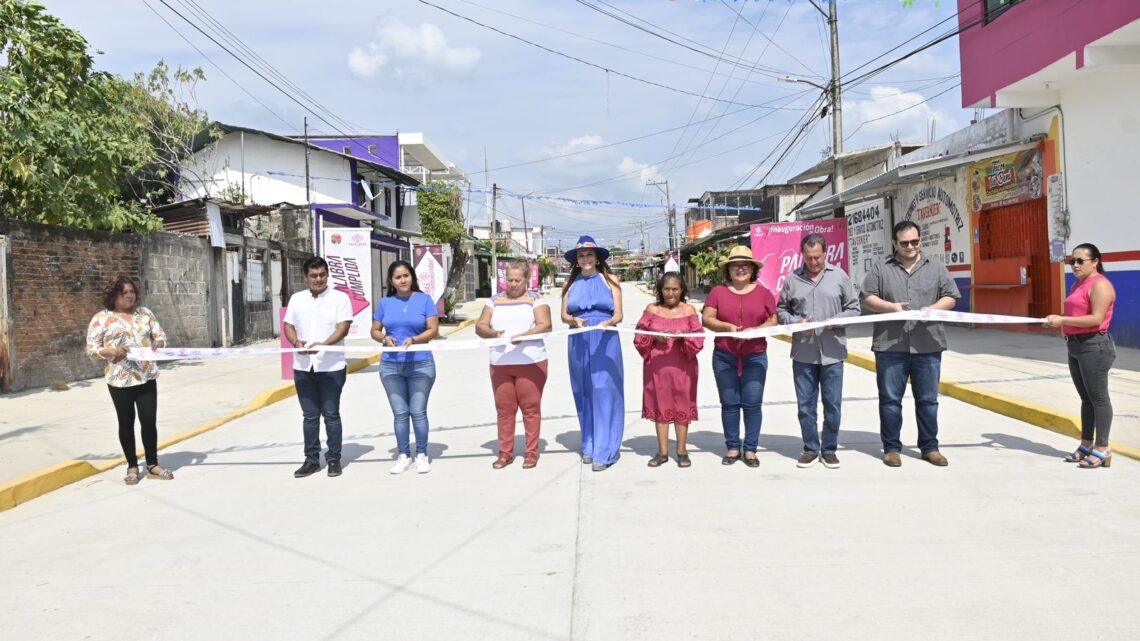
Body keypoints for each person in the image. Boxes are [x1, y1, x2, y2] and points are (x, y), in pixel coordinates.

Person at [861, 220, 960, 467]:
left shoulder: (936, 267)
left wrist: (932, 309)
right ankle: (892, 448)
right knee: (890, 400)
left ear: (920, 241)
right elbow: (866, 297)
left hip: (928, 344)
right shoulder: (881, 268)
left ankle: (930, 447)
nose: (910, 247)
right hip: (890, 346)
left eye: (914, 242)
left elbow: (951, 296)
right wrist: (890, 307)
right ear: (895, 243)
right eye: (904, 243)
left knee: (928, 400)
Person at [778, 234, 861, 469]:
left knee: (832, 404)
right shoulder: (792, 279)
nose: (813, 262)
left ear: (825, 253)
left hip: (833, 353)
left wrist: (837, 320)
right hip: (803, 353)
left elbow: (854, 309)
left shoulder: (839, 277)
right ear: (802, 255)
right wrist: (796, 323)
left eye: (817, 257)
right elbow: (782, 310)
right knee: (806, 405)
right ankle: (810, 448)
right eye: (808, 257)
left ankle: (830, 448)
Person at [86, 275, 172, 485]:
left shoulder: (145, 314)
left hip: (146, 377)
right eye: (124, 293)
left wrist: (158, 344)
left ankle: (152, 464)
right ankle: (132, 466)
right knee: (126, 423)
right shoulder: (101, 318)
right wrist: (113, 350)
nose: (129, 296)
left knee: (149, 420)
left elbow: (160, 335)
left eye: (131, 292)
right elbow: (92, 349)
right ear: (113, 295)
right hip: (119, 380)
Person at [701, 246, 778, 468]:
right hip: (725, 355)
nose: (740, 269)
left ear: (753, 268)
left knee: (752, 403)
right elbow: (707, 318)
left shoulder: (764, 293)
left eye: (745, 265)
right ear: (729, 269)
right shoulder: (718, 292)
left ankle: (751, 449)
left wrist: (757, 329)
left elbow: (773, 320)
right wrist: (725, 326)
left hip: (754, 356)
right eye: (735, 265)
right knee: (730, 403)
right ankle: (733, 447)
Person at [1044, 243, 1117, 469]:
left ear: (1095, 262)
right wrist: (1058, 321)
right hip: (1075, 346)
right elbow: (1075, 313)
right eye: (1071, 261)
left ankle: (1103, 448)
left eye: (1080, 261)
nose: (1074, 265)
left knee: (1099, 398)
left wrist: (1063, 320)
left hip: (1094, 346)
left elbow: (1096, 319)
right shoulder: (1078, 284)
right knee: (1086, 399)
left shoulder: (1100, 286)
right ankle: (1086, 443)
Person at [475, 259, 552, 469]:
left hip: (531, 362)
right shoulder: (494, 301)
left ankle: (531, 452)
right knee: (504, 410)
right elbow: (480, 326)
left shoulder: (536, 299)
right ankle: (505, 453)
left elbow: (545, 325)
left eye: (518, 280)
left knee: (530, 408)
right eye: (509, 280)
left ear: (527, 279)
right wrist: (492, 333)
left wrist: (525, 336)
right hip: (500, 363)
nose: (513, 284)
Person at [283, 256, 353, 478]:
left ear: (327, 275)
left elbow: (343, 327)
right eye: (313, 275)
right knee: (310, 416)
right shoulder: (297, 299)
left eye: (322, 274)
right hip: (303, 366)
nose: (318, 279)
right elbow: (289, 325)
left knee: (331, 414)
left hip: (331, 367)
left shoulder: (339, 298)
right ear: (306, 277)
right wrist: (296, 343)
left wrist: (324, 345)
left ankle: (334, 459)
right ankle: (312, 460)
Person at [561, 235, 625, 472]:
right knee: (584, 389)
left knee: (604, 390)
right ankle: (589, 443)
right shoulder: (571, 284)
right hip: (578, 337)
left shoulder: (610, 280)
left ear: (597, 258)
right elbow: (564, 315)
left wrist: (608, 323)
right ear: (577, 260)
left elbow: (619, 314)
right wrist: (572, 320)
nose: (585, 258)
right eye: (581, 255)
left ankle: (606, 449)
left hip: (604, 337)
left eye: (589, 254)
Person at [371, 260, 440, 475]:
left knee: (417, 412)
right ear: (391, 281)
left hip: (421, 363)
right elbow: (374, 330)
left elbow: (433, 329)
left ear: (412, 277)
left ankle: (421, 454)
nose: (402, 280)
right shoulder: (385, 303)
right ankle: (403, 455)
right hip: (391, 366)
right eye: (398, 277)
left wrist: (415, 339)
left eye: (406, 275)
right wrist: (384, 338)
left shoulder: (424, 300)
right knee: (400, 413)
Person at [634, 272, 704, 468]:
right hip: (657, 367)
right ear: (660, 290)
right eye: (666, 289)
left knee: (682, 405)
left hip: (684, 367)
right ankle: (662, 451)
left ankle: (682, 451)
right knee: (660, 405)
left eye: (675, 289)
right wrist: (655, 338)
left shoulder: (689, 310)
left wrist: (685, 338)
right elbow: (639, 337)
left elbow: (699, 338)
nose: (671, 293)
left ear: (682, 290)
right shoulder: (652, 309)